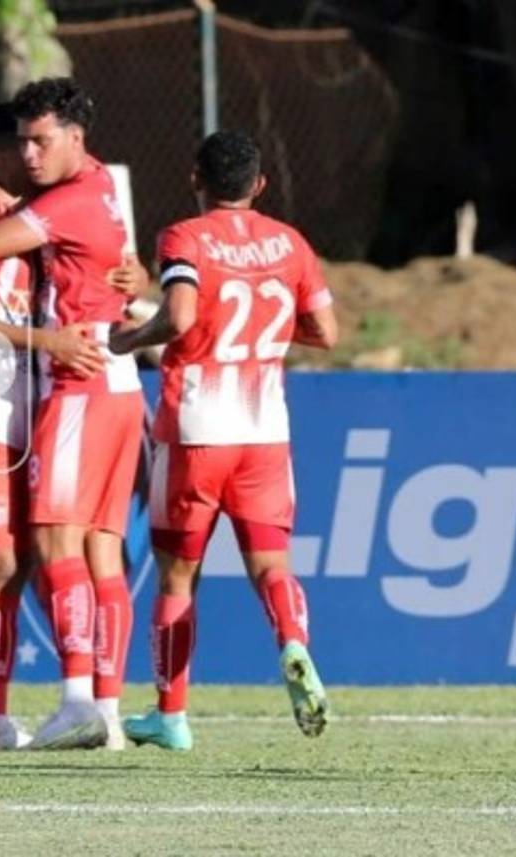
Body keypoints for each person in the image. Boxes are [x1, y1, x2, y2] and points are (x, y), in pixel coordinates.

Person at [0, 78, 146, 750]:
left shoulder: (48, 210)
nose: (29, 154)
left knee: (33, 559)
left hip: (58, 391)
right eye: (18, 144)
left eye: (38, 141)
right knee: (5, 559)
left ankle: (15, 710)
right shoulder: (0, 213)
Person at [109, 130, 339, 751]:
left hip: (197, 428)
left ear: (196, 179)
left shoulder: (184, 237)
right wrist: (266, 333)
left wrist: (126, 338)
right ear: (260, 184)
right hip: (264, 429)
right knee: (271, 564)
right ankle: (292, 641)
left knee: (178, 578)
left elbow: (180, 317)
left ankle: (171, 717)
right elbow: (326, 330)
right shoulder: (289, 243)